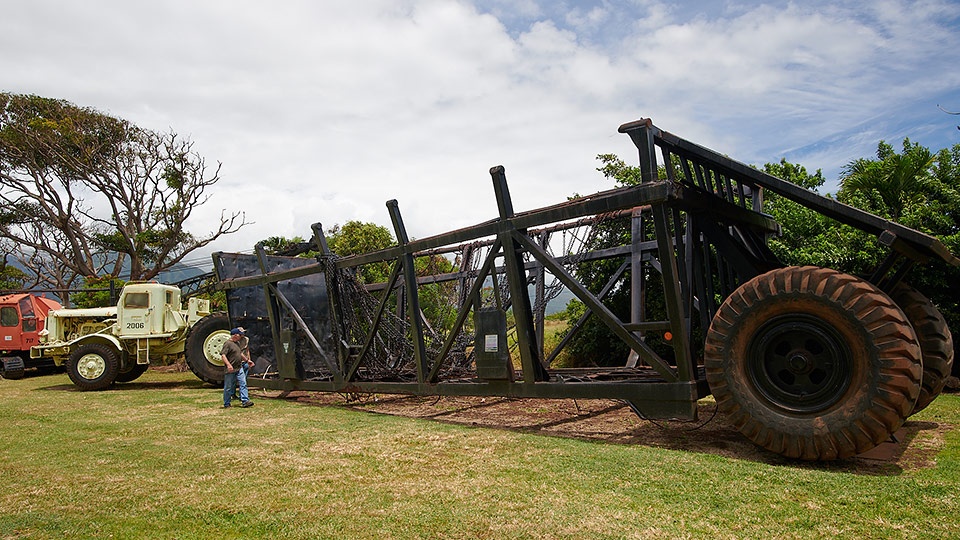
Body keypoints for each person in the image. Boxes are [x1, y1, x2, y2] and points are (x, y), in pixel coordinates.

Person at [221, 327, 254, 408]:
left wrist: (247, 360)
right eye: (240, 335)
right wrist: (228, 365)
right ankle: (227, 403)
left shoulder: (237, 343)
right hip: (231, 369)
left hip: (239, 368)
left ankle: (245, 401)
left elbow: (240, 353)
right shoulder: (227, 344)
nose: (241, 336)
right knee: (228, 387)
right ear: (235, 335)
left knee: (243, 383)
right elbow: (223, 355)